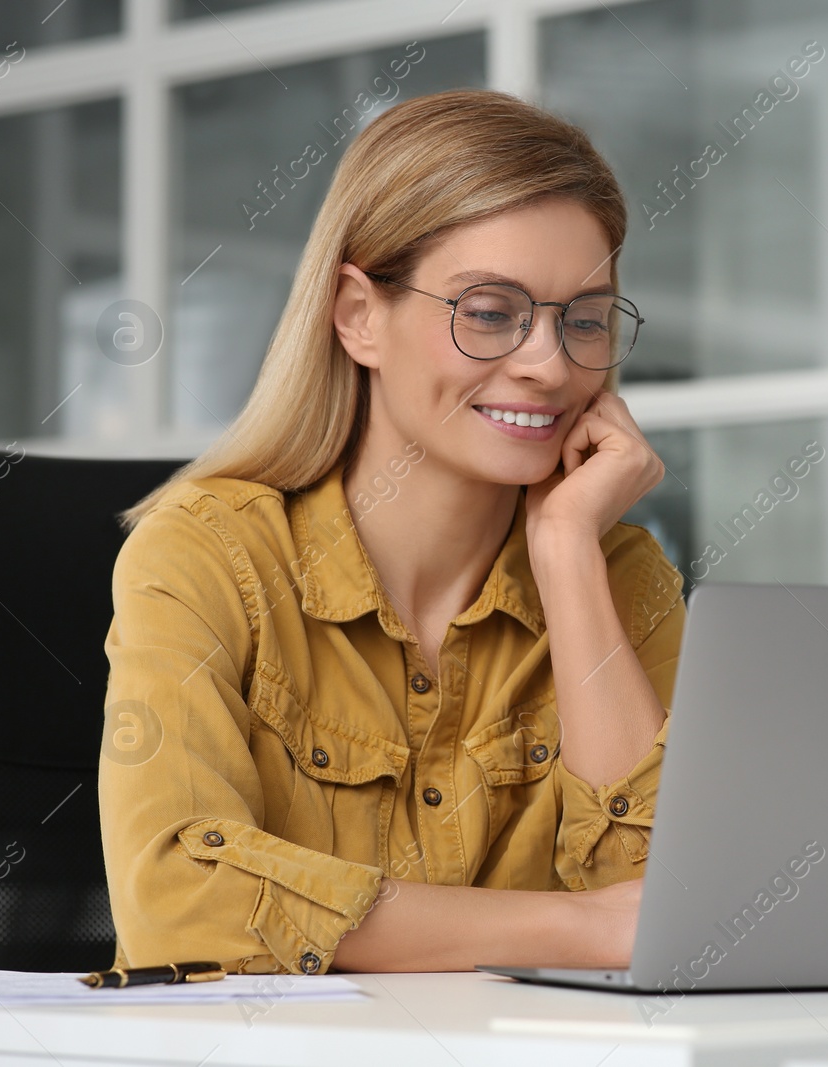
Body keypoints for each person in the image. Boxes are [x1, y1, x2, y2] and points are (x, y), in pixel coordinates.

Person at [100, 88, 686, 976]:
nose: (550, 364)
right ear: (358, 315)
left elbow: (677, 910)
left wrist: (568, 551)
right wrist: (576, 929)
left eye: (586, 318)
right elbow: (182, 898)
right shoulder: (204, 555)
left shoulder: (620, 577)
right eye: (490, 312)